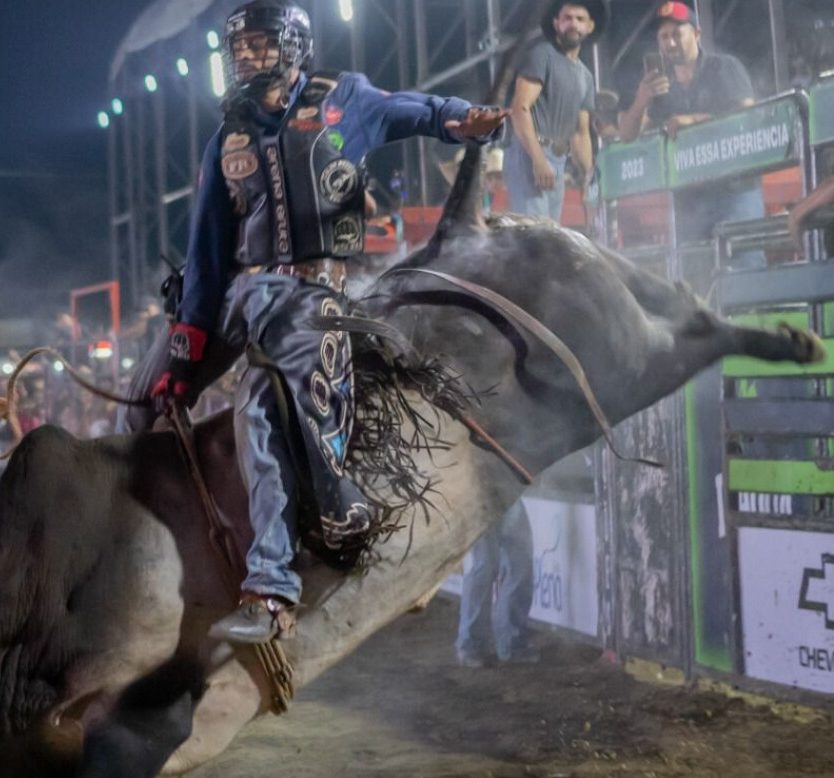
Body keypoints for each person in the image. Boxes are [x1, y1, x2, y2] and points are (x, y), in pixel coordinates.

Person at [142, 0, 506, 644]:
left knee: (268, 395)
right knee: (246, 415)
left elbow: (414, 110)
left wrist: (460, 120)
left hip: (321, 294)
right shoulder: (226, 138)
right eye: (240, 48)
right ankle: (280, 577)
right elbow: (204, 250)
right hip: (254, 301)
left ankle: (322, 521)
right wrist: (183, 351)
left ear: (293, 47)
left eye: (261, 45)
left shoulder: (344, 101)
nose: (248, 57)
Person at [617, 2, 764, 249]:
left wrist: (694, 121)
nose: (670, 42)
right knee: (694, 270)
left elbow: (748, 114)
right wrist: (642, 99)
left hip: (735, 191)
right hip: (690, 200)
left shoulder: (723, 67)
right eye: (664, 36)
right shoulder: (663, 88)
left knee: (742, 265)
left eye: (677, 34)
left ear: (697, 34)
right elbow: (627, 135)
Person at [505, 1, 603, 219]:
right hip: (529, 153)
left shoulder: (585, 76)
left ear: (590, 26)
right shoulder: (542, 55)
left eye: (579, 19)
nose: (573, 24)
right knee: (536, 237)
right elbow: (519, 108)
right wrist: (538, 159)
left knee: (549, 235)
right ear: (556, 24)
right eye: (567, 18)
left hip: (558, 160)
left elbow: (581, 132)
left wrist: (588, 174)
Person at [455, 500, 536, 667]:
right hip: (478, 494)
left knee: (518, 563)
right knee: (485, 564)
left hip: (506, 490)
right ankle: (472, 644)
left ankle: (510, 642)